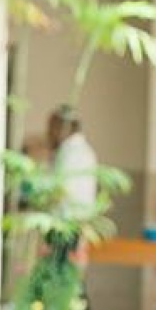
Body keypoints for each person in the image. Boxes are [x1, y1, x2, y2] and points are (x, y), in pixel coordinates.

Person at [45, 104, 99, 270]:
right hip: (78, 224)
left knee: (60, 274)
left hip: (65, 225)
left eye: (52, 128)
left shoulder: (69, 153)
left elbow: (58, 190)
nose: (49, 133)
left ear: (62, 128)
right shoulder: (85, 151)